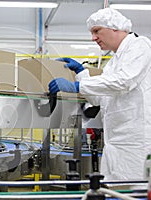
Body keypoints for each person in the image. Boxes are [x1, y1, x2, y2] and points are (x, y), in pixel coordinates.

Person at [49, 7, 151, 181]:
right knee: (113, 190)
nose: (93, 38)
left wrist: (77, 86)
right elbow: (99, 99)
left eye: (97, 31)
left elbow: (123, 81)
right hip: (114, 143)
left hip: (136, 142)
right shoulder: (113, 62)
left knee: (134, 191)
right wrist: (81, 72)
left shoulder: (140, 45)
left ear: (115, 28)